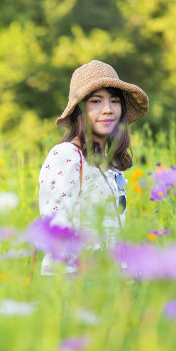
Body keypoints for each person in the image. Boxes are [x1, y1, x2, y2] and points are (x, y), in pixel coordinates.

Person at [38, 60, 149, 275]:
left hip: (110, 279)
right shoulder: (66, 156)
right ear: (79, 110)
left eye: (115, 102)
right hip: (76, 279)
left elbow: (113, 229)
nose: (107, 110)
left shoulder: (110, 163)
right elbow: (57, 225)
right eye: (96, 101)